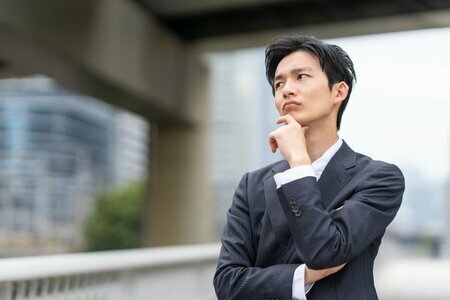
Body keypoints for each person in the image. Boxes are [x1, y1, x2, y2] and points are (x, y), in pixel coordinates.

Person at [213, 35, 405, 300]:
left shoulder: (378, 178)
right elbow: (227, 283)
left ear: (339, 91)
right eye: (279, 83)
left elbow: (326, 251)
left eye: (301, 77)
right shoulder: (252, 185)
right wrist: (303, 275)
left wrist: (299, 165)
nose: (286, 89)